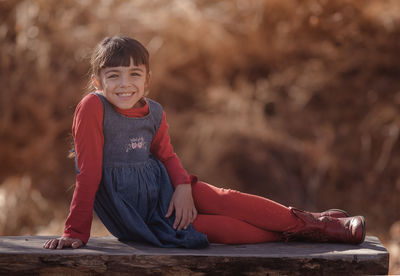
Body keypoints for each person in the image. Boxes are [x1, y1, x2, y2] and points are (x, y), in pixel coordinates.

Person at [43, 35, 365, 250]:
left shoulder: (153, 111)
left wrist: (183, 185)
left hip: (170, 188)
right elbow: (89, 173)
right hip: (142, 213)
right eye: (113, 76)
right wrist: (75, 232)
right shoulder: (93, 108)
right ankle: (308, 232)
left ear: (147, 79)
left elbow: (166, 156)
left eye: (134, 74)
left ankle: (321, 224)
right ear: (98, 81)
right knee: (227, 230)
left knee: (229, 199)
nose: (125, 84)